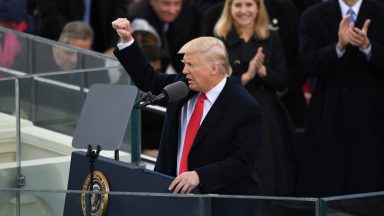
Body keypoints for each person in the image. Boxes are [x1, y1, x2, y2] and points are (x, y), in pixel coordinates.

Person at [112, 18, 262, 198]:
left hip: (217, 201)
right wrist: (127, 41)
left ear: (213, 69)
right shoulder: (183, 86)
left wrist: (200, 176)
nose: (184, 70)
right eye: (184, 63)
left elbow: (241, 162)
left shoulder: (244, 107)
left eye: (191, 65)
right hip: (172, 193)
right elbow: (149, 79)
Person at [297, 0, 384, 197]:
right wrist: (339, 46)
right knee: (330, 189)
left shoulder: (379, 12)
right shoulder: (312, 16)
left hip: (373, 119)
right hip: (328, 120)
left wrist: (367, 46)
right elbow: (307, 63)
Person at [214, 0, 296, 196]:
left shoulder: (270, 36)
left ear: (258, 8)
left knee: (266, 164)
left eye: (249, 5)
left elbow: (283, 79)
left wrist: (262, 71)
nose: (244, 11)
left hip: (266, 112)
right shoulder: (219, 38)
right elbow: (214, 81)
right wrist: (247, 76)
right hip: (230, 111)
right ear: (230, 9)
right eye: (238, 5)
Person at [128, 0, 199, 74]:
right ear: (152, 2)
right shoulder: (141, 25)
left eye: (177, 3)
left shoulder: (188, 12)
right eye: (166, 4)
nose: (172, 10)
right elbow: (151, 65)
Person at [37, 0, 127, 55]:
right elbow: (48, 12)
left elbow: (118, 14)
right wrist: (72, 39)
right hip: (58, 46)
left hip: (98, 52)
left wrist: (112, 47)